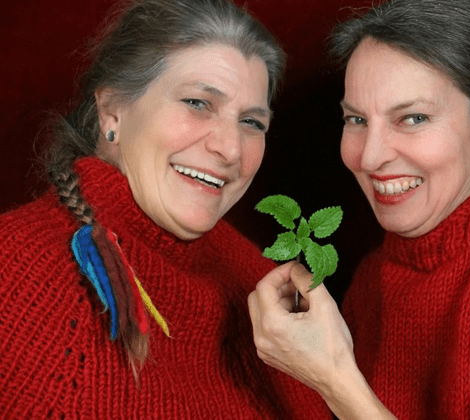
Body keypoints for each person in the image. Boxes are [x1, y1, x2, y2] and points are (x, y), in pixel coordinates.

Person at [0, 0, 334, 418]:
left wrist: (335, 376)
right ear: (112, 113)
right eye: (197, 103)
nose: (230, 149)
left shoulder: (263, 285)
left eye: (252, 122)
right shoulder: (14, 271)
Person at [248, 0, 470, 418]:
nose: (369, 157)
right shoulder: (371, 281)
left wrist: (333, 378)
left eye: (413, 118)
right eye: (357, 120)